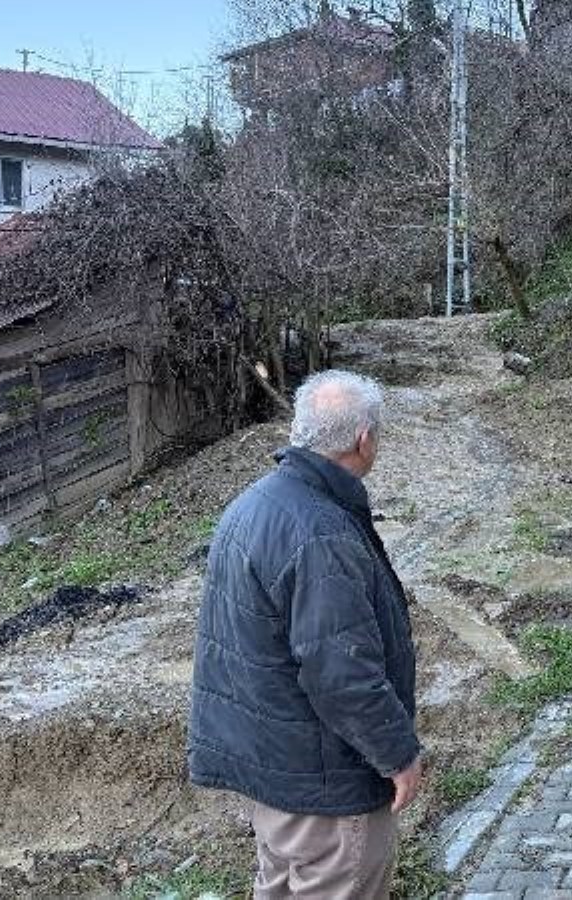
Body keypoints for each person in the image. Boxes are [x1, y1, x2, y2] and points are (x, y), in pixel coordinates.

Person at [188, 369, 422, 899]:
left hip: (274, 774)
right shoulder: (321, 532)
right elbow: (343, 673)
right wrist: (398, 755)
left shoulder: (256, 504)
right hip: (326, 786)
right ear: (364, 440)